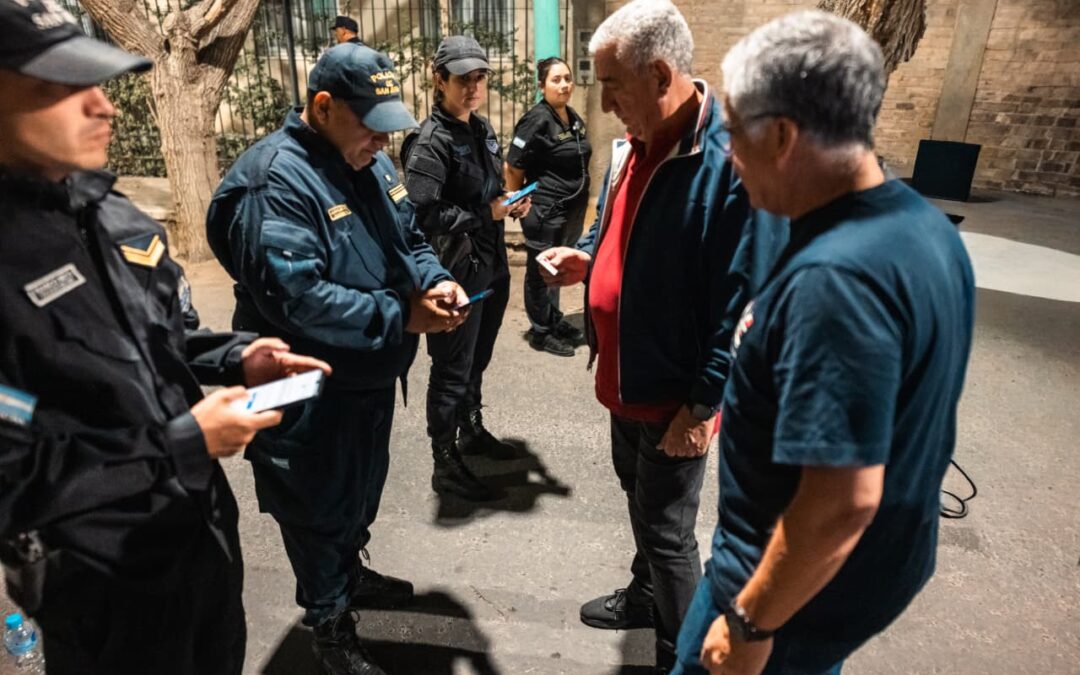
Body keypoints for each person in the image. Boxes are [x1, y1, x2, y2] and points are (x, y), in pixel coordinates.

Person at [0, 1, 330, 674]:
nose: (107, 107)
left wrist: (237, 356)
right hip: (104, 580)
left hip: (199, 539)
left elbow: (160, 338)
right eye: (67, 88)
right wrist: (181, 441)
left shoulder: (105, 209)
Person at [672, 11, 976, 675]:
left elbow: (843, 499)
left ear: (782, 135)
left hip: (788, 591)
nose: (728, 156)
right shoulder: (924, 226)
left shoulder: (835, 282)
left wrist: (752, 621)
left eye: (734, 135)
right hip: (842, 575)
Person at [537, 1, 787, 670]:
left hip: (675, 397)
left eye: (613, 82)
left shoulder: (734, 164)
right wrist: (587, 260)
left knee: (671, 535)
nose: (604, 98)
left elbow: (748, 307)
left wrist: (702, 406)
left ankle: (681, 656)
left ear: (658, 73)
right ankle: (647, 592)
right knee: (642, 507)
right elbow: (612, 227)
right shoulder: (633, 145)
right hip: (624, 377)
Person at [206, 43, 466, 675]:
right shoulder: (274, 179)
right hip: (301, 387)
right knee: (314, 507)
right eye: (369, 126)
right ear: (322, 107)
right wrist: (401, 315)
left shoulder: (370, 163)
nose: (381, 142)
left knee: (357, 496)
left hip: (367, 376)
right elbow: (298, 299)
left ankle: (348, 574)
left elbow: (408, 235)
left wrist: (433, 279)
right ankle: (329, 624)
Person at [402, 35, 531, 502]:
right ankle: (444, 457)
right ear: (440, 80)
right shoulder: (430, 141)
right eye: (464, 79)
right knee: (451, 368)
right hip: (454, 271)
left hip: (491, 266)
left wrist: (510, 204)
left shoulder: (481, 129)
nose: (474, 87)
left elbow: (488, 192)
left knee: (477, 361)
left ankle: (471, 429)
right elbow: (420, 214)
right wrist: (485, 214)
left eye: (480, 77)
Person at [505, 56, 592, 357]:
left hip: (568, 213)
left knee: (556, 270)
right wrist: (517, 202)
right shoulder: (537, 119)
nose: (564, 84)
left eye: (567, 78)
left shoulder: (571, 115)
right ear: (541, 85)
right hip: (545, 211)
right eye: (556, 79)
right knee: (541, 272)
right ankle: (540, 332)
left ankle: (552, 319)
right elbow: (513, 166)